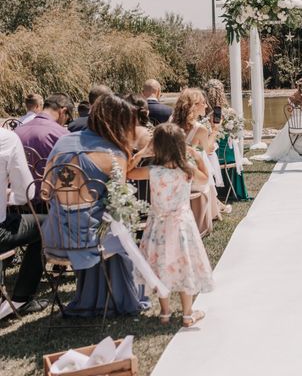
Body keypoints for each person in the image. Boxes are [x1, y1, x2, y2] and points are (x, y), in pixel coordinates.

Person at [42, 94, 146, 316]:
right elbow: (119, 201)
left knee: (104, 222)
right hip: (90, 241)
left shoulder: (62, 142)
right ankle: (119, 297)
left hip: (55, 237)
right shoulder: (114, 153)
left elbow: (45, 191)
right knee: (121, 228)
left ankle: (92, 294)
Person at [128, 123, 214, 327]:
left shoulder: (152, 171)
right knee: (185, 265)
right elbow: (206, 178)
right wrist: (197, 155)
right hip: (182, 225)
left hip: (158, 226)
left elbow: (128, 173)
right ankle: (187, 313)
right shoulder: (187, 170)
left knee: (161, 265)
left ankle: (165, 312)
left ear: (156, 146)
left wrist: (141, 153)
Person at [0, 128, 46, 320]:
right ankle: (22, 297)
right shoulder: (6, 138)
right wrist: (11, 198)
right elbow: (26, 193)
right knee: (46, 224)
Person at [172, 88, 220, 232]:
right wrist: (215, 130)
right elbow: (208, 149)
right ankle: (212, 210)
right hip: (191, 177)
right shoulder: (200, 129)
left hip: (174, 173)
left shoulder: (171, 123)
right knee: (206, 173)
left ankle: (217, 206)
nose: (206, 106)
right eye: (203, 103)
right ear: (194, 105)